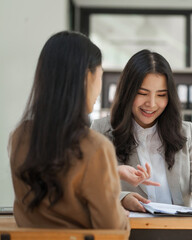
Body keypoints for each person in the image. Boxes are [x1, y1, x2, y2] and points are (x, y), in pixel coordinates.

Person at [8, 31, 128, 230]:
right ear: (86, 78)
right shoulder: (96, 147)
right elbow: (112, 232)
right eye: (100, 76)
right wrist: (120, 215)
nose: (99, 88)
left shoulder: (19, 137)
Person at [91, 49, 192, 212]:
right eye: (142, 93)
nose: (151, 104)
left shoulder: (186, 132)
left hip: (180, 231)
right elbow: (89, 185)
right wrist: (122, 198)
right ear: (128, 92)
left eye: (161, 95)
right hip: (130, 231)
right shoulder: (101, 131)